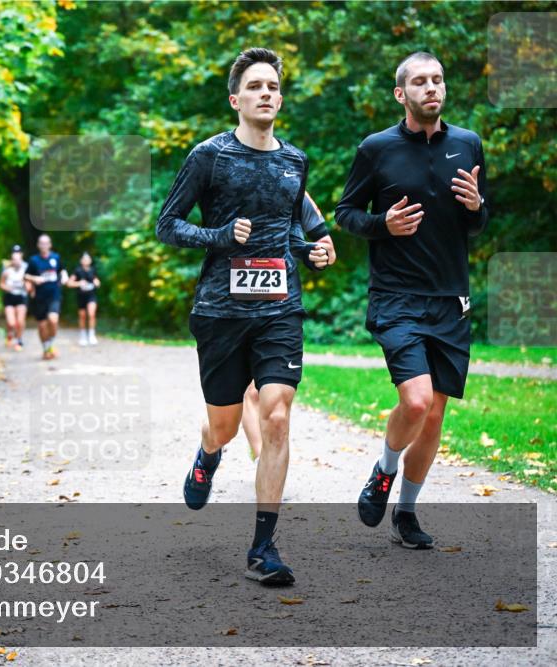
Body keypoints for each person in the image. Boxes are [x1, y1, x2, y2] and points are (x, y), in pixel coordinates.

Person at [156, 48, 333, 586]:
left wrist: (310, 250)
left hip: (280, 309)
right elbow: (167, 225)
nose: (266, 94)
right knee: (226, 425)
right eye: (255, 86)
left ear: (280, 98)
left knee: (277, 414)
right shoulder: (209, 156)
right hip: (220, 311)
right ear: (236, 99)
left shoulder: (294, 161)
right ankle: (208, 454)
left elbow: (289, 226)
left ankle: (263, 547)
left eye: (273, 87)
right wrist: (218, 236)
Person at [336, 51, 488, 549]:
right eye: (420, 81)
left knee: (435, 414)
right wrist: (384, 225)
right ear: (402, 94)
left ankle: (406, 513)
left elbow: (477, 223)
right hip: (396, 296)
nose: (432, 88)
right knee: (416, 400)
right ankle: (383, 471)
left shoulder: (468, 144)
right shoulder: (376, 149)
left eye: (438, 80)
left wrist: (477, 207)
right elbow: (346, 214)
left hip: (450, 299)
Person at [243, 192, 336, 460]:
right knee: (239, 399)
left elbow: (327, 248)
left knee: (262, 392)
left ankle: (265, 460)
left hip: (279, 306)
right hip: (232, 303)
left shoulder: (294, 188)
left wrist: (317, 253)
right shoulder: (227, 174)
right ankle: (215, 448)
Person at [24, 234, 68, 360]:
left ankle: (50, 344)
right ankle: (46, 348)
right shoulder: (34, 260)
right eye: (41, 243)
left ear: (50, 244)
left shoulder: (56, 257)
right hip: (39, 297)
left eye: (46, 243)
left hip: (54, 294)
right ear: (38, 245)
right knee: (42, 325)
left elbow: (63, 270)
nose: (44, 246)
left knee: (53, 320)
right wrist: (34, 278)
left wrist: (64, 276)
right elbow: (26, 276)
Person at [68, 252, 101, 346]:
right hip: (81, 296)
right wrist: (79, 283)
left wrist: (97, 282)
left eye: (88, 258)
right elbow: (69, 283)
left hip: (91, 295)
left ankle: (91, 335)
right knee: (82, 316)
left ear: (90, 260)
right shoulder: (77, 271)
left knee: (91, 314)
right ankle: (83, 336)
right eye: (84, 259)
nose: (86, 260)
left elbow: (97, 280)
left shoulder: (93, 270)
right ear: (81, 260)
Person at [0, 245, 28, 351]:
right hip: (9, 297)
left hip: (21, 296)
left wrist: (27, 286)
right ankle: (10, 333)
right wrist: (8, 288)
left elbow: (30, 282)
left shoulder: (27, 267)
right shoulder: (6, 269)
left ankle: (19, 340)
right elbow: (1, 284)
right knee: (11, 322)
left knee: (20, 320)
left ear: (22, 255)